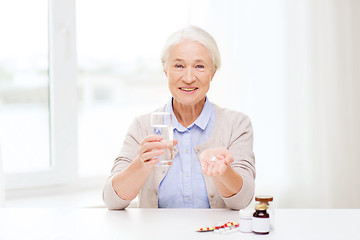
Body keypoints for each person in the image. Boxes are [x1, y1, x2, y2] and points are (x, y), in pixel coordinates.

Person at [103, 26, 255, 210]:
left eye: (199, 66)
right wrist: (141, 164)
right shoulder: (142, 126)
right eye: (179, 66)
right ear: (166, 70)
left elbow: (243, 200)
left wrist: (223, 172)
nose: (189, 78)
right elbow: (112, 201)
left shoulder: (236, 124)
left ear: (213, 72)